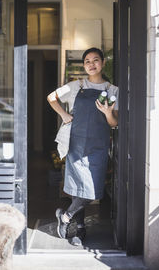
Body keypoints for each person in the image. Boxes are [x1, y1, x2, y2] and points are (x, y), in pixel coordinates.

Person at [47, 47, 119, 246]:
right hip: (76, 144)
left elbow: (114, 123)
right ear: (84, 65)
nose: (91, 64)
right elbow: (51, 97)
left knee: (93, 189)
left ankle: (66, 216)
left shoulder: (113, 91)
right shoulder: (76, 86)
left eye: (96, 60)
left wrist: (107, 112)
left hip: (98, 147)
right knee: (79, 189)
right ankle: (79, 229)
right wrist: (64, 114)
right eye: (87, 61)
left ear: (103, 63)